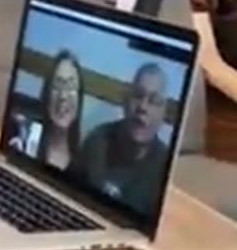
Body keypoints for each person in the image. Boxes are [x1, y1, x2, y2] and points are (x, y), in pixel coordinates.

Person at [71, 61, 171, 215]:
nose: (143, 107)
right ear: (125, 102)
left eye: (154, 100)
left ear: (163, 114)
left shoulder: (165, 168)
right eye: (138, 95)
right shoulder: (97, 140)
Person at [36, 50, 84, 170]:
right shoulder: (26, 140)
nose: (63, 96)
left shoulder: (86, 160)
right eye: (57, 86)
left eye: (70, 87)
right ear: (46, 93)